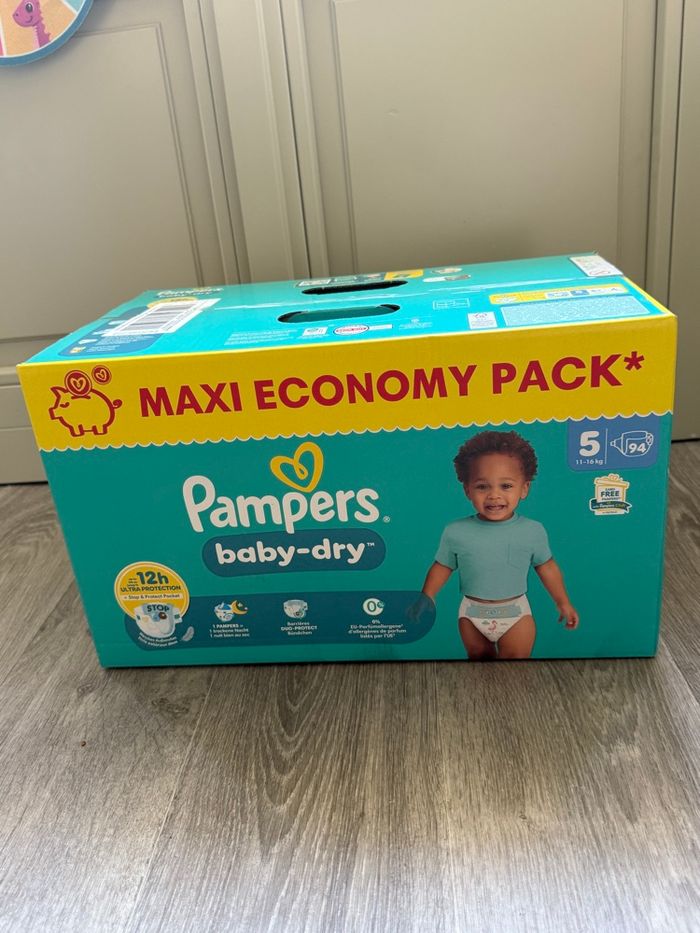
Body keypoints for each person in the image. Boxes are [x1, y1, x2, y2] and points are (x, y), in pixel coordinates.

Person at [417, 430, 579, 660]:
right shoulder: (456, 531)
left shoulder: (532, 530)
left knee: (515, 664)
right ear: (467, 490)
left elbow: (547, 567)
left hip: (515, 614)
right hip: (471, 614)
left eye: (506, 486)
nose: (494, 495)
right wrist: (428, 595)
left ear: (524, 488)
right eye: (482, 486)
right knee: (479, 661)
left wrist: (563, 602)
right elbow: (442, 566)